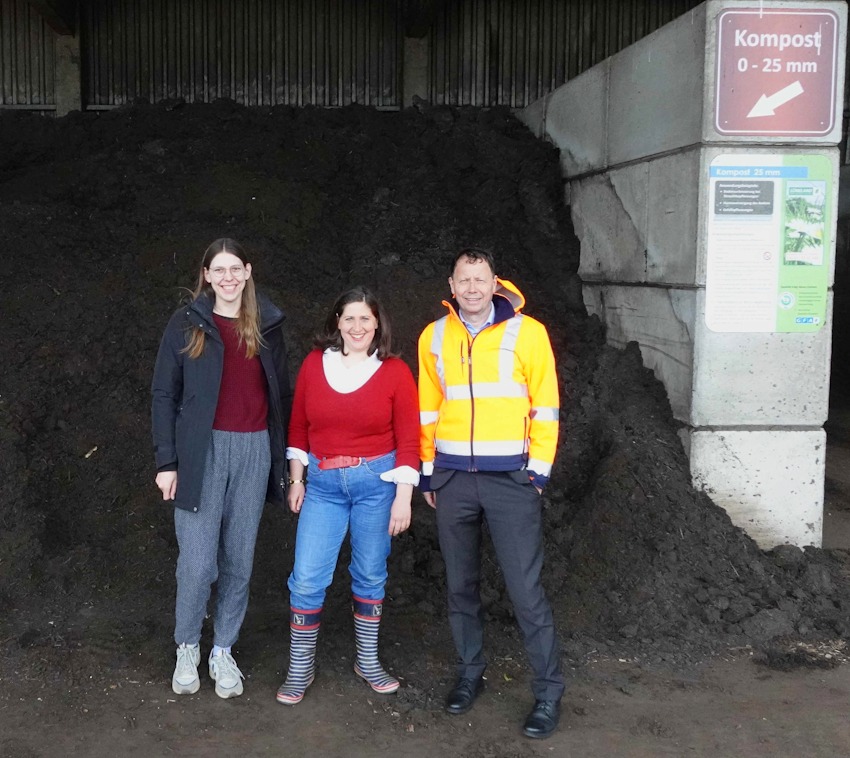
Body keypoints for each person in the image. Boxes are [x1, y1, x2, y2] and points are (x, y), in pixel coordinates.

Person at [417, 248, 565, 739]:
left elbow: (546, 406)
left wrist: (538, 473)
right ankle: (469, 673)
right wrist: (428, 473)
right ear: (452, 285)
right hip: (455, 479)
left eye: (481, 279)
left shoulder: (529, 333)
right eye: (465, 280)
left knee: (526, 592)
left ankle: (547, 693)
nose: (473, 288)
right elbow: (428, 408)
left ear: (495, 282)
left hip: (510, 481)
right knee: (460, 586)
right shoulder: (434, 337)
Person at [151, 238, 290, 699]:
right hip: (200, 451)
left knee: (239, 559)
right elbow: (163, 395)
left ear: (248, 271)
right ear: (206, 275)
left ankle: (222, 650)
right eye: (219, 270)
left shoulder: (267, 323)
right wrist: (167, 462)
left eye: (236, 269)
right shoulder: (187, 321)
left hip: (252, 450)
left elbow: (281, 397)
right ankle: (188, 646)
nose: (228, 277)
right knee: (197, 562)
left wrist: (286, 460)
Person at [276, 285, 419, 706]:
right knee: (306, 577)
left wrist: (404, 497)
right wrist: (297, 479)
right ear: (336, 322)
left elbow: (410, 438)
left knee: (371, 573)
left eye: (365, 318)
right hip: (321, 485)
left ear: (378, 324)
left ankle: (367, 661)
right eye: (349, 317)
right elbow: (299, 425)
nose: (357, 326)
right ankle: (300, 666)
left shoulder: (394, 371)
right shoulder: (313, 366)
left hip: (377, 486)